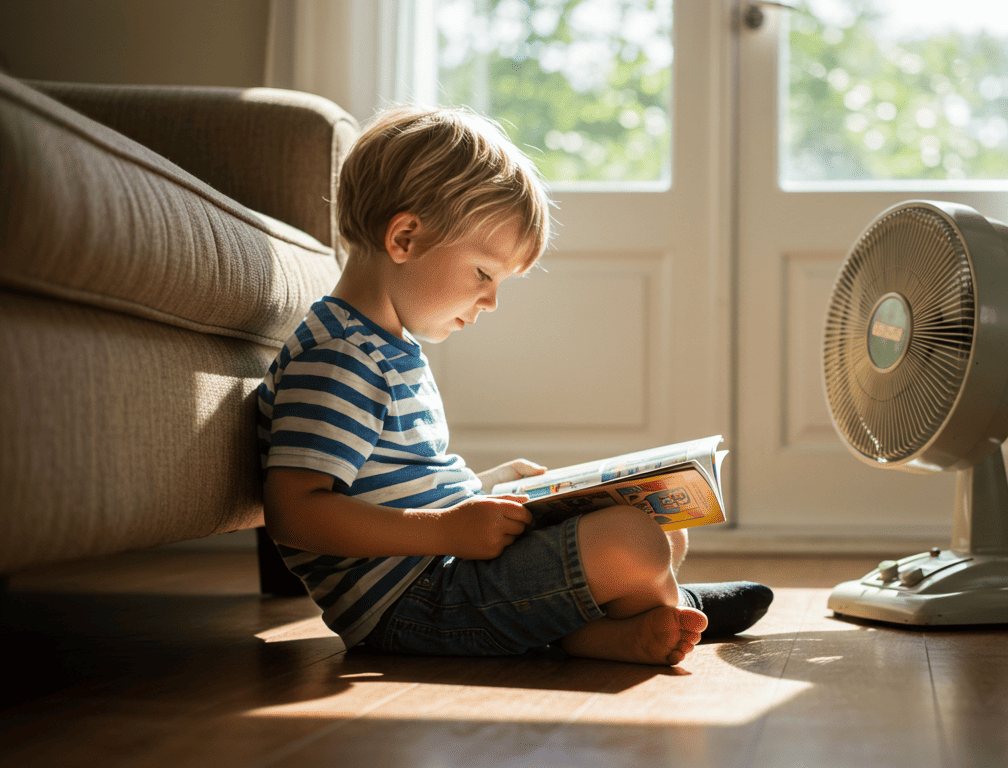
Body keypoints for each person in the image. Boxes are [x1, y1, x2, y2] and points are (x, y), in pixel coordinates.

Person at [257, 106, 771, 666]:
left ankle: (607, 629)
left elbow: (396, 485)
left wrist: (484, 488)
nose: (491, 300)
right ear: (404, 238)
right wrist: (447, 530)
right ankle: (653, 612)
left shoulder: (383, 347)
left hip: (444, 567)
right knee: (634, 541)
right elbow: (294, 513)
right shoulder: (340, 358)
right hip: (411, 602)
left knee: (662, 526)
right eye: (484, 273)